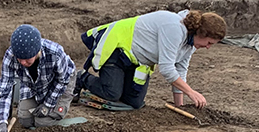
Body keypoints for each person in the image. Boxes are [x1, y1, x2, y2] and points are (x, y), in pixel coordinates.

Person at [75, 10, 227, 110]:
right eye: (209, 43)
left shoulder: (191, 44)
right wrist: (191, 92)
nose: (208, 47)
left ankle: (116, 83)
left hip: (136, 62)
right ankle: (80, 78)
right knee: (112, 94)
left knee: (134, 103)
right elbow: (167, 69)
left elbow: (180, 70)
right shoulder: (175, 28)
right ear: (201, 32)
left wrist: (179, 106)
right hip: (117, 49)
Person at [0, 24, 76, 132]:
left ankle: (60, 108)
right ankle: (42, 104)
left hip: (61, 82)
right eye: (19, 59)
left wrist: (47, 105)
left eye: (27, 59)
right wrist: (2, 122)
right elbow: (5, 89)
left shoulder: (55, 53)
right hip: (34, 84)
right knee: (25, 120)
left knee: (42, 122)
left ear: (37, 51)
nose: (22, 62)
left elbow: (62, 81)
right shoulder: (10, 56)